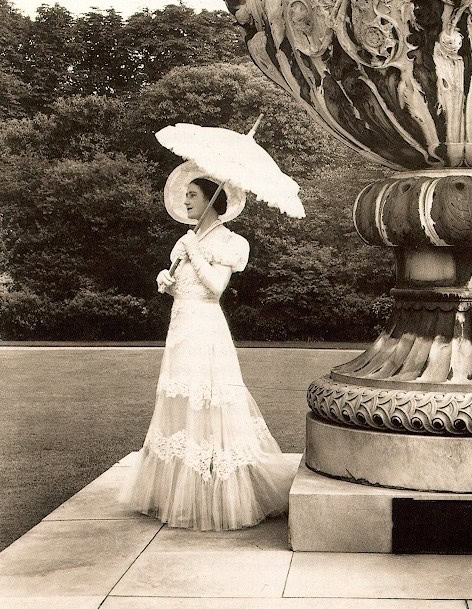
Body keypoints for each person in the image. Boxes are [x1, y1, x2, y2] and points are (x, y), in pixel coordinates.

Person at [119, 161, 298, 531]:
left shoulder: (231, 242)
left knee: (208, 400)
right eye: (184, 196)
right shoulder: (187, 239)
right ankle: (176, 491)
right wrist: (166, 280)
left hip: (205, 328)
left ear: (212, 201)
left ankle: (217, 492)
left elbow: (215, 288)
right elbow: (184, 285)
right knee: (180, 401)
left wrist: (194, 252)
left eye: (192, 195)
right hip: (181, 327)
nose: (185, 202)